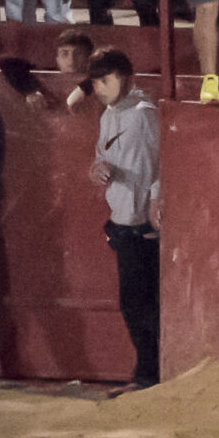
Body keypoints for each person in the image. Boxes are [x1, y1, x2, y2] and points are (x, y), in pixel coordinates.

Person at [83, 48, 160, 392]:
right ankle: (146, 375)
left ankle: (150, 377)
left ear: (125, 78)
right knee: (135, 305)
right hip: (124, 222)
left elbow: (164, 161)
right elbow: (102, 157)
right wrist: (98, 168)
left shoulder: (145, 114)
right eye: (96, 82)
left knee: (143, 305)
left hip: (144, 225)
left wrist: (156, 203)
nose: (99, 88)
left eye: (105, 79)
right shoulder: (108, 115)